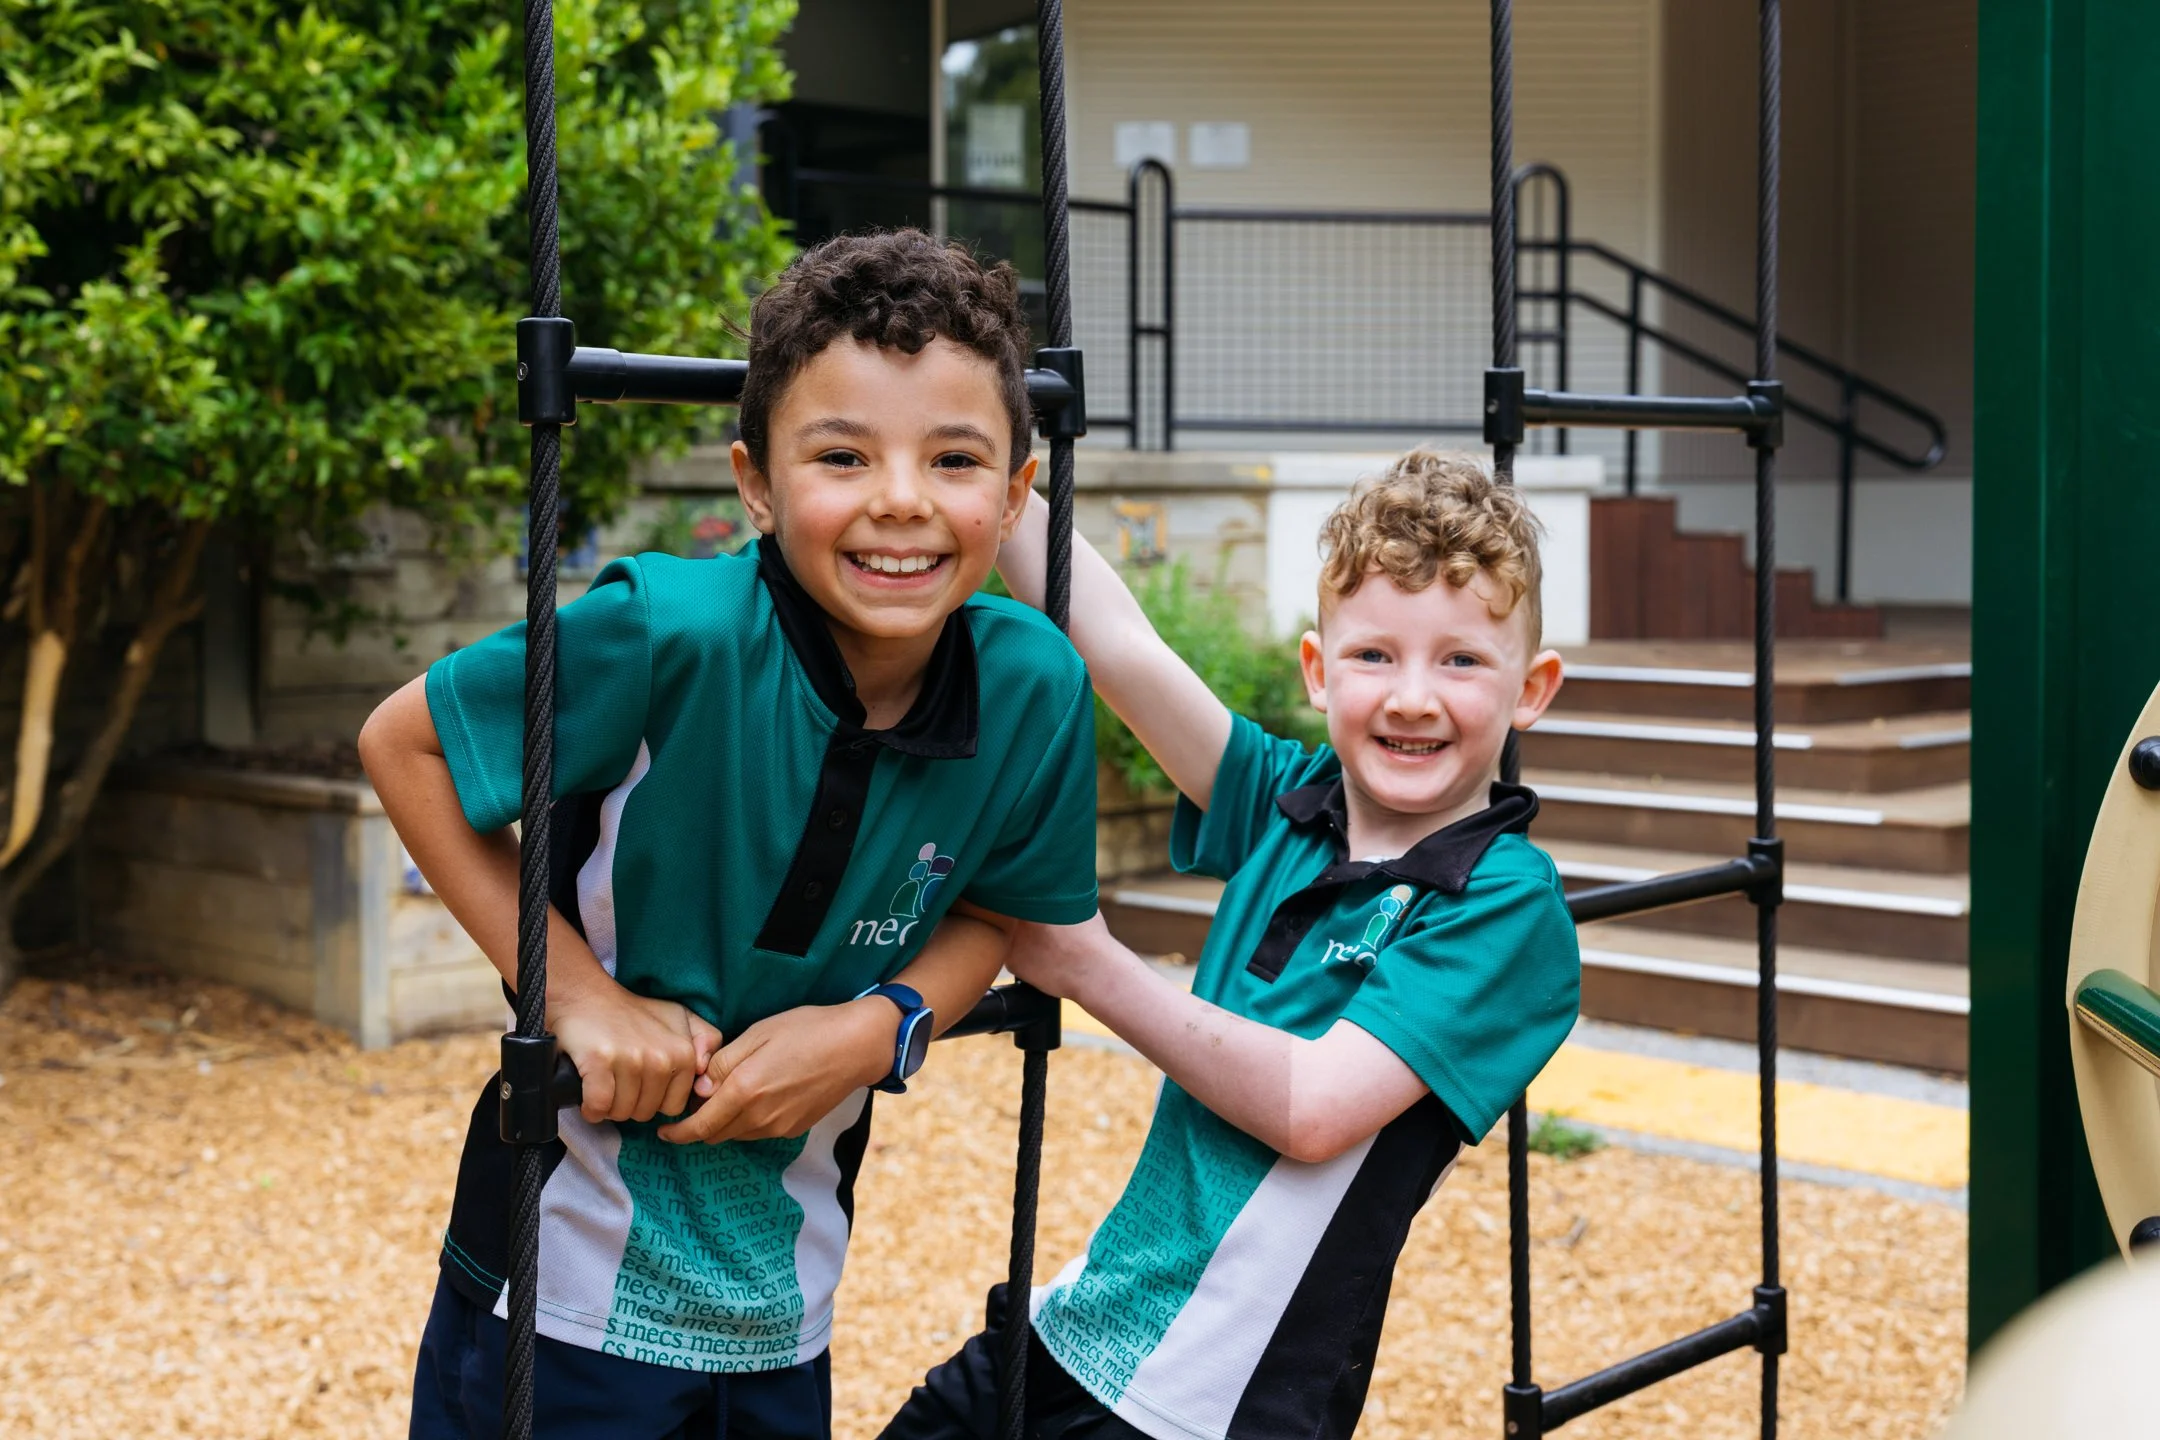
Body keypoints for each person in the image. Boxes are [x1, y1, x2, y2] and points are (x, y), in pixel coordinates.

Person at [360, 230, 1100, 1440]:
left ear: (1017, 495)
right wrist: (582, 996)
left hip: (787, 1305)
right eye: (844, 455)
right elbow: (405, 744)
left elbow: (994, 909)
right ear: (756, 484)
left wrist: (880, 1027)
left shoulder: (1034, 688)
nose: (902, 498)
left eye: (955, 458)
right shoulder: (671, 633)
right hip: (559, 1286)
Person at [885, 450, 1581, 1440]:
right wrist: (987, 476)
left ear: (1531, 688)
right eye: (1374, 654)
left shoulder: (1506, 903)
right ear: (1317, 669)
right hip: (1073, 1329)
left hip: (1211, 1408)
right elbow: (1119, 647)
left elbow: (1310, 1108)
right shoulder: (1286, 810)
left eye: (1461, 660)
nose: (1413, 696)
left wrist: (1089, 963)